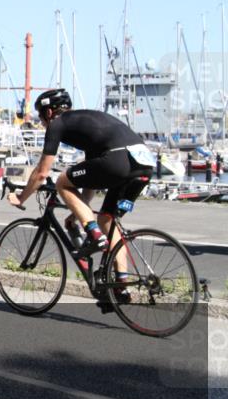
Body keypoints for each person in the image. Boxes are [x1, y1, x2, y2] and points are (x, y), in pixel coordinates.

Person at [8, 88, 154, 306]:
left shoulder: (58, 123)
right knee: (107, 220)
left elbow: (41, 173)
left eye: (41, 115)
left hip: (119, 161)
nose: (42, 121)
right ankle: (121, 287)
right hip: (144, 165)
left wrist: (21, 198)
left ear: (49, 112)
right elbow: (91, 181)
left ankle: (95, 236)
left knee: (61, 182)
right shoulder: (88, 125)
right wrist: (78, 214)